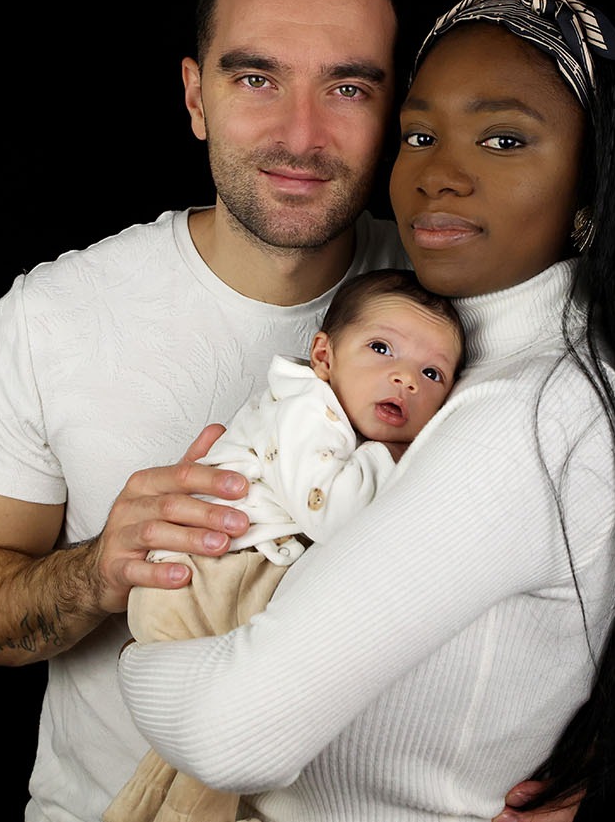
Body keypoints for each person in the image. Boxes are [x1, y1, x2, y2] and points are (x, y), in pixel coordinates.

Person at [0, 0, 575, 822]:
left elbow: (606, 553)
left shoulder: (464, 307)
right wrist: (96, 571)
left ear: (393, 112)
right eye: (256, 79)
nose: (301, 134)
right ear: (196, 96)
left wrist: (597, 766)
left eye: (347, 88)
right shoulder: (54, 316)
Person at [116, 0, 615, 821]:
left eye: (503, 140)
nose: (438, 174)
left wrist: (142, 649)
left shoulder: (526, 415)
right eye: (419, 135)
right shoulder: (480, 364)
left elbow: (233, 731)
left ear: (593, 184)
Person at [108, 268, 464, 822]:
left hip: (221, 574)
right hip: (207, 578)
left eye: (432, 373)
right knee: (235, 735)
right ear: (324, 356)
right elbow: (334, 515)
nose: (405, 379)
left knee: (188, 756)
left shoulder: (326, 414)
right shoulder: (309, 410)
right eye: (381, 349)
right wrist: (394, 457)